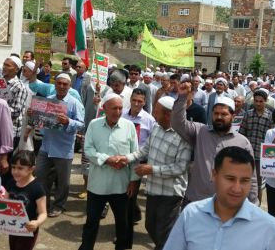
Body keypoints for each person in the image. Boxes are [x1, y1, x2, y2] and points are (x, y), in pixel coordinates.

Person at [163, 146, 275, 250]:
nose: (237, 188)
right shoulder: (190, 215)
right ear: (214, 175)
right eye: (230, 179)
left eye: (245, 180)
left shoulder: (270, 228)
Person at [121, 96, 192, 250]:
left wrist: (151, 169)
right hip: (154, 188)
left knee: (163, 231)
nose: (153, 114)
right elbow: (145, 150)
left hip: (171, 193)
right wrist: (126, 158)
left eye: (157, 111)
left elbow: (180, 168)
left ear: (168, 115)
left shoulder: (183, 136)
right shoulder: (156, 128)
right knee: (150, 225)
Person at [171, 81, 259, 205]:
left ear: (233, 116)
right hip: (196, 201)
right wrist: (182, 98)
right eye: (216, 113)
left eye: (224, 114)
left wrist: (253, 203)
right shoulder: (200, 131)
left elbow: (251, 176)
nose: (219, 117)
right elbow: (177, 123)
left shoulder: (242, 142)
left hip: (227, 205)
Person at [79, 93, 139, 250]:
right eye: (114, 108)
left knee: (123, 224)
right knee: (91, 222)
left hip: (121, 186)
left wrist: (133, 180)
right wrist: (107, 159)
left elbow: (135, 155)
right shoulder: (94, 124)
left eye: (120, 108)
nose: (117, 112)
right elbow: (88, 150)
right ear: (104, 108)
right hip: (97, 186)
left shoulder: (129, 126)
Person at [33, 73, 84, 217]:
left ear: (69, 86)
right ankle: (43, 205)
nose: (61, 86)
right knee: (40, 176)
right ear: (55, 84)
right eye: (59, 83)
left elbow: (81, 124)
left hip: (64, 147)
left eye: (65, 84)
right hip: (46, 146)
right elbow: (39, 120)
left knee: (63, 182)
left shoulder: (74, 103)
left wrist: (68, 121)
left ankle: (58, 205)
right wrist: (33, 114)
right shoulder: (47, 100)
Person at [120, 88, 156, 226]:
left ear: (144, 102)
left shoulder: (149, 120)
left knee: (130, 194)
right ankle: (134, 213)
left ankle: (125, 227)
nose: (136, 104)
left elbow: (152, 143)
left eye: (139, 101)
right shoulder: (122, 114)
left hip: (138, 162)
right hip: (123, 159)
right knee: (123, 193)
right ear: (130, 100)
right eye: (134, 100)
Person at [6, 150, 47, 250]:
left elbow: (43, 213)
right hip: (13, 227)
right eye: (13, 167)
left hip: (28, 230)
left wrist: (36, 223)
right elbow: (3, 202)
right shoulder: (11, 183)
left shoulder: (37, 188)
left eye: (20, 168)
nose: (15, 171)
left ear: (31, 169)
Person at [239, 89, 274, 202]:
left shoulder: (270, 116)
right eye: (256, 101)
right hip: (247, 153)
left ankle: (257, 204)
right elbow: (241, 133)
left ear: (265, 101)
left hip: (262, 155)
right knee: (244, 178)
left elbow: (272, 138)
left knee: (257, 182)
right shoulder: (248, 114)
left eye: (261, 101)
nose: (258, 103)